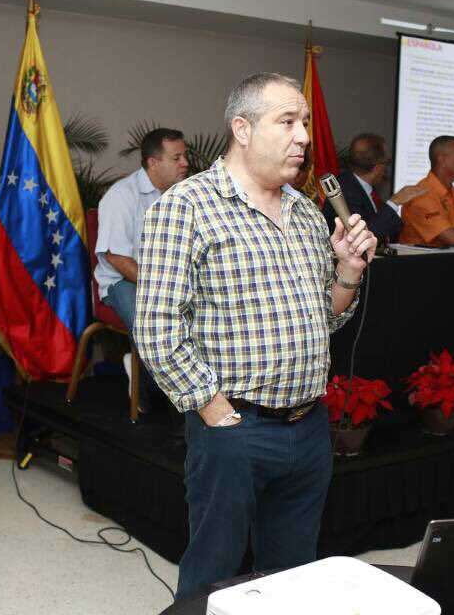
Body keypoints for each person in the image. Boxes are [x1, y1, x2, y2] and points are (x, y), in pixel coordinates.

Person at [133, 72, 376, 602]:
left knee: (292, 583)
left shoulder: (308, 213)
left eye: (305, 123)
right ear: (242, 129)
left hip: (309, 428)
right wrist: (215, 412)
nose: (304, 137)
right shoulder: (185, 207)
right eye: (287, 122)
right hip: (234, 430)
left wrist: (349, 271)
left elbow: (328, 317)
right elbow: (156, 328)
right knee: (212, 578)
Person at [95, 127, 188, 409]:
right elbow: (116, 258)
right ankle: (168, 400)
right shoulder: (121, 196)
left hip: (169, 284)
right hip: (122, 283)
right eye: (177, 158)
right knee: (154, 323)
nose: (185, 163)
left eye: (185, 156)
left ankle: (164, 385)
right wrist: (160, 290)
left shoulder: (184, 196)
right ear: (153, 162)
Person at [321, 133, 424, 242]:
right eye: (387, 162)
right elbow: (362, 237)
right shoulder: (345, 191)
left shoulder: (362, 187)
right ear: (377, 168)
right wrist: (395, 202)